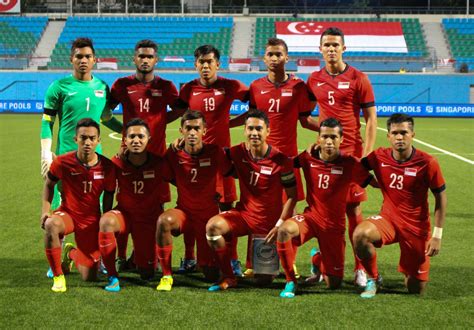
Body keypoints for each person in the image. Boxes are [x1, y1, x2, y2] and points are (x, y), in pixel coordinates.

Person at [231, 38, 319, 277]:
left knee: (285, 212)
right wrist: (225, 124)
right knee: (255, 210)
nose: (274, 58)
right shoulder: (256, 86)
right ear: (264, 58)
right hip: (258, 161)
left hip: (285, 161)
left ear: (286, 58)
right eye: (270, 54)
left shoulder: (299, 87)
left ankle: (289, 261)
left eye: (278, 54)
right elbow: (250, 116)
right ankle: (253, 262)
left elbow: (305, 119)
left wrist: (329, 132)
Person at [306, 27, 378, 286]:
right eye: (327, 45)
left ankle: (359, 268)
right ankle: (322, 264)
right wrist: (324, 134)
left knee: (353, 210)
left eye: (336, 45)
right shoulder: (313, 79)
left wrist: (367, 156)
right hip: (326, 159)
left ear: (344, 48)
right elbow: (304, 118)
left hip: (352, 156)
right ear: (320, 49)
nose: (331, 49)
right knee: (323, 213)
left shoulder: (359, 78)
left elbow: (371, 120)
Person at [276, 118, 375, 298]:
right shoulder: (307, 157)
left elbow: (373, 181)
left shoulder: (350, 163)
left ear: (341, 139)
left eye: (333, 137)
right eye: (325, 137)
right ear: (318, 139)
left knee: (334, 284)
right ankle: (291, 281)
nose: (329, 142)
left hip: (334, 227)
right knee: (283, 231)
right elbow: (285, 164)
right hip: (311, 218)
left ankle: (317, 259)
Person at [353, 114, 447, 298]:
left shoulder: (427, 163)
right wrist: (372, 182)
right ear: (388, 136)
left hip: (416, 227)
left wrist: (437, 235)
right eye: (395, 133)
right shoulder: (379, 156)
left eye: (404, 132)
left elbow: (441, 197)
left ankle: (411, 269)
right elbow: (356, 168)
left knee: (415, 288)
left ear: (413, 134)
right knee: (360, 234)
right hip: (388, 219)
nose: (399, 137)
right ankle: (374, 278)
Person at [109, 39, 182, 269]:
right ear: (135, 59)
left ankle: (151, 256)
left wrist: (160, 122)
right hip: (129, 161)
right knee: (126, 208)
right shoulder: (121, 85)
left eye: (149, 56)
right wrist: (122, 132)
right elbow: (104, 114)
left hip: (157, 159)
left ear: (156, 60)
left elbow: (180, 109)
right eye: (141, 56)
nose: (145, 60)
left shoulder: (167, 86)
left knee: (155, 211)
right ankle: (121, 256)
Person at [205, 109, 297, 291]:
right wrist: (181, 143)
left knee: (263, 280)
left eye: (259, 129)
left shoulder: (281, 160)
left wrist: (279, 224)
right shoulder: (237, 152)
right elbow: (213, 151)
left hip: (268, 224)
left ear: (268, 131)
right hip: (244, 216)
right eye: (250, 129)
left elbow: (293, 196)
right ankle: (229, 276)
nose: (254, 133)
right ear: (245, 130)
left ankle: (311, 259)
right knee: (213, 228)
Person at [176, 45, 248, 275]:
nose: (205, 66)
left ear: (218, 64)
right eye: (201, 62)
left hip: (222, 160)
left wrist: (230, 123)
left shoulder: (231, 86)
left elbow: (255, 106)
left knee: (227, 209)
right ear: (195, 64)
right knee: (190, 208)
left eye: (209, 62)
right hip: (195, 161)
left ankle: (233, 259)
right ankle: (189, 258)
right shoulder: (187, 89)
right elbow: (183, 118)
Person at [156, 110, 232, 291]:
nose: (192, 132)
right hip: (185, 214)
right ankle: (167, 275)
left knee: (210, 274)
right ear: (181, 130)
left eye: (196, 128)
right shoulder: (173, 154)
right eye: (188, 128)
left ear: (204, 131)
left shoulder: (215, 152)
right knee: (163, 221)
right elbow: (167, 176)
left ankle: (208, 262)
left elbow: (232, 171)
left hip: (208, 219)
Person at [41, 37, 121, 207]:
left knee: (95, 212)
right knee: (59, 215)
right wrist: (45, 152)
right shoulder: (58, 87)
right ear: (71, 59)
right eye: (79, 57)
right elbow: (47, 122)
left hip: (94, 158)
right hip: (64, 156)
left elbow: (106, 118)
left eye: (87, 56)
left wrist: (127, 131)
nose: (83, 60)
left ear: (94, 59)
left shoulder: (102, 87)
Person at [41, 118, 116, 293]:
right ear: (75, 139)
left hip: (91, 220)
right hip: (68, 214)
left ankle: (71, 252)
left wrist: (105, 219)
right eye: (83, 138)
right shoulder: (63, 162)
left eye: (92, 138)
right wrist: (46, 211)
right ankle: (58, 277)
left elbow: (109, 195)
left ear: (99, 140)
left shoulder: (107, 167)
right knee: (51, 224)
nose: (87, 142)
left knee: (89, 276)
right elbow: (49, 184)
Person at [98, 118, 167, 292]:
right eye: (132, 137)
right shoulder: (116, 163)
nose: (136, 140)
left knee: (147, 273)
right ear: (125, 140)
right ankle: (112, 276)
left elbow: (182, 179)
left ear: (149, 139)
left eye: (140, 136)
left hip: (148, 219)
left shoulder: (159, 163)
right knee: (107, 221)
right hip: (125, 216)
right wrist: (104, 216)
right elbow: (108, 192)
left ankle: (136, 259)